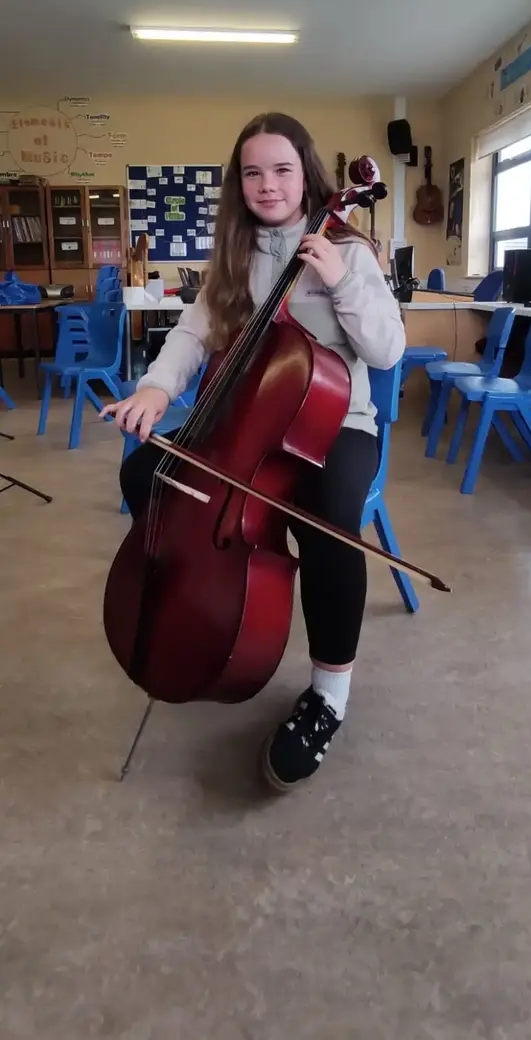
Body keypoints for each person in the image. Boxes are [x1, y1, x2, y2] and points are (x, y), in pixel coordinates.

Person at [102, 112, 405, 792]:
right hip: (247, 415)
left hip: (336, 421)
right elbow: (193, 331)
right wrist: (154, 389)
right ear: (239, 184)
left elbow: (386, 349)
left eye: (281, 170)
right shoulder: (234, 257)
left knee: (327, 521)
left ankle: (329, 695)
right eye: (252, 173)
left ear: (307, 175)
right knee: (148, 469)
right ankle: (190, 603)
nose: (267, 185)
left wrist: (341, 280)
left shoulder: (349, 251)